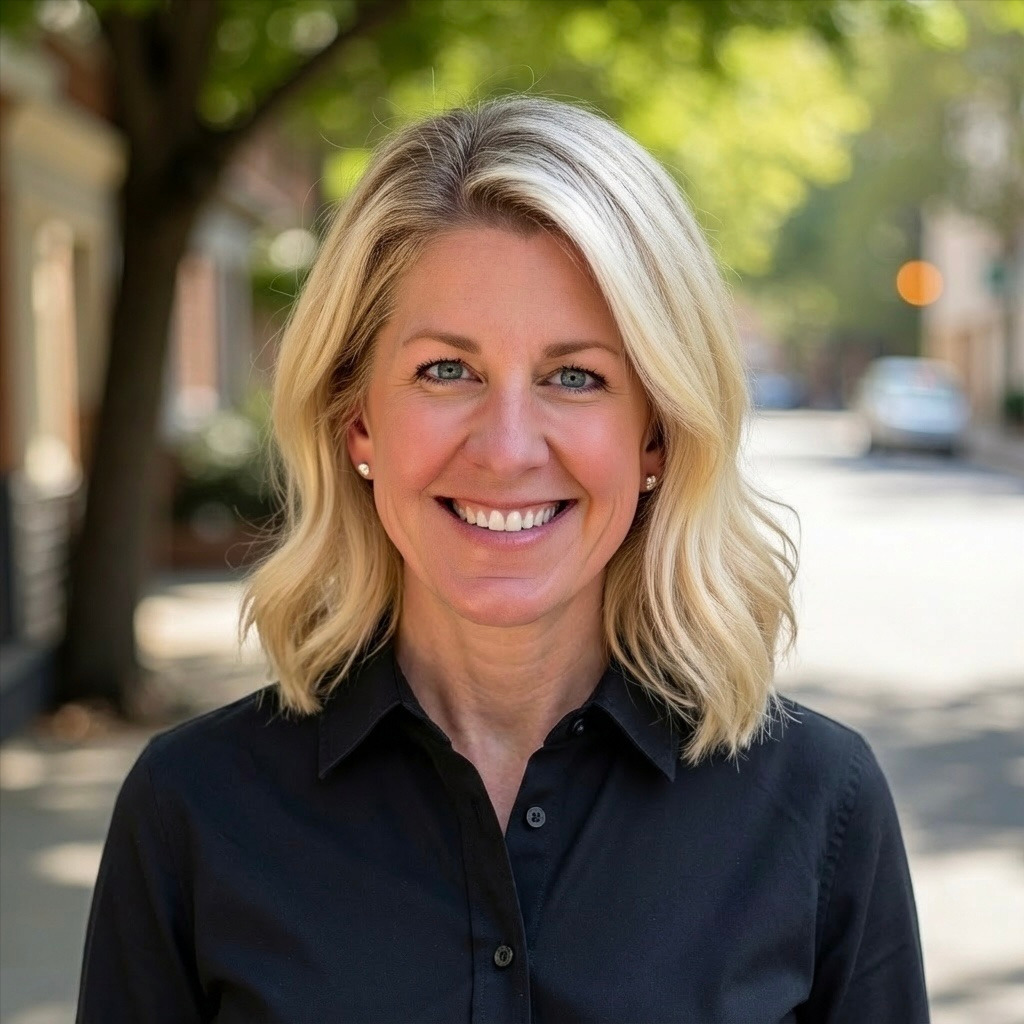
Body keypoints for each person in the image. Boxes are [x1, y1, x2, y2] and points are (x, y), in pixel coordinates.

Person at [77, 96, 928, 1023]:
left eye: (577, 377)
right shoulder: (193, 812)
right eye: (448, 370)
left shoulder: (817, 809)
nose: (509, 446)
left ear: (657, 435)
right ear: (357, 420)